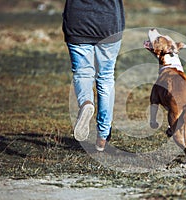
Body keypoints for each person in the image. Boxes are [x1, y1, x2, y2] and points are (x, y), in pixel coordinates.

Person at [62, 0, 125, 151]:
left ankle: (86, 103)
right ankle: (103, 136)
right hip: (109, 23)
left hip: (77, 21)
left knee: (83, 73)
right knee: (105, 77)